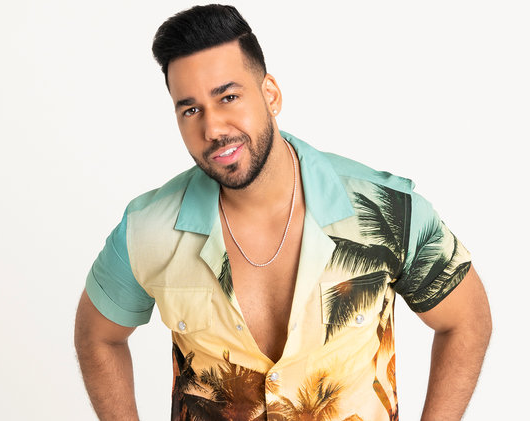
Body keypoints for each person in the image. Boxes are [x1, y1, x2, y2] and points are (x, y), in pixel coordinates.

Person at [74, 4, 492, 421]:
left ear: (270, 94)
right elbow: (97, 336)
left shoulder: (385, 209)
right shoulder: (148, 229)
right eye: (191, 110)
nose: (213, 128)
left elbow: (467, 320)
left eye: (228, 97)